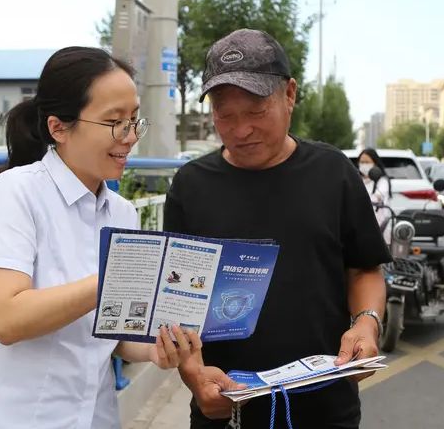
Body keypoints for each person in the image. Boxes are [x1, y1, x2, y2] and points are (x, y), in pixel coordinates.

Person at [0, 47, 200, 429]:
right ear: (58, 128)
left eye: (133, 120)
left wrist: (155, 350)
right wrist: (112, 279)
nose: (130, 137)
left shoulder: (122, 213)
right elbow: (8, 319)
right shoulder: (15, 194)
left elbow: (113, 329)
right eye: (114, 122)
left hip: (92, 418)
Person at [164, 29, 391, 428]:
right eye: (224, 114)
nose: (240, 130)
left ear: (289, 94)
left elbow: (364, 268)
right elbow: (177, 305)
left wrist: (366, 323)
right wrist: (194, 377)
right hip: (225, 411)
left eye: (256, 111)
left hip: (326, 409)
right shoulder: (190, 187)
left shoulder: (333, 173)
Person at [356, 148, 392, 241]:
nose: (364, 165)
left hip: (379, 228)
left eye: (367, 162)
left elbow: (377, 197)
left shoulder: (381, 181)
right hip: (360, 227)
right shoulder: (356, 180)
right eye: (362, 162)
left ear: (375, 163)